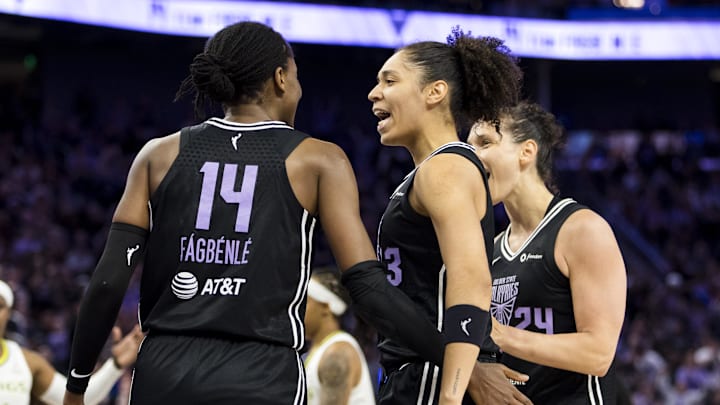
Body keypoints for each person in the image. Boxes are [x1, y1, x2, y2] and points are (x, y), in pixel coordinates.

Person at [63, 21, 468, 405]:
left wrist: (78, 383)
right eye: (296, 77)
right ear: (280, 79)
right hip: (263, 374)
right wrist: (452, 356)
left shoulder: (157, 155)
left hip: (164, 372)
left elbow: (106, 283)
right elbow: (366, 286)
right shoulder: (318, 161)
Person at [365, 27, 525, 405]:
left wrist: (452, 395)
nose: (374, 93)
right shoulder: (431, 171)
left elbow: (471, 280)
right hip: (428, 371)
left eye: (390, 80)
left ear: (434, 92)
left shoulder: (445, 168)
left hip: (434, 378)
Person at [468, 101, 627, 404]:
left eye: (485, 142)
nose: (470, 158)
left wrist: (500, 334)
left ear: (526, 152)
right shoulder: (489, 248)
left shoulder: (582, 230)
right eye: (468, 146)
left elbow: (598, 353)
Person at [0, 280, 142, 405]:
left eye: (0, 306)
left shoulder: (26, 362)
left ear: (9, 313)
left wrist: (114, 366)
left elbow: (75, 399)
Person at [304, 267, 376, 405]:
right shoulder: (322, 350)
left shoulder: (337, 353)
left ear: (326, 307)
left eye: (305, 302)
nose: (299, 308)